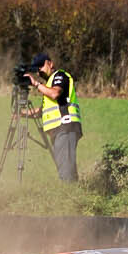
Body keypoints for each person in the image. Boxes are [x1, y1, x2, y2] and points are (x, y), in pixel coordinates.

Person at [21, 51, 82, 182]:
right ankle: (74, 191)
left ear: (50, 63)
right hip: (59, 130)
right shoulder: (49, 84)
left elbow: (55, 94)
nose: (39, 72)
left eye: (41, 67)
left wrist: (36, 84)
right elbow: (41, 111)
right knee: (65, 168)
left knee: (66, 171)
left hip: (65, 126)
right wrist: (21, 113)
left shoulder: (60, 75)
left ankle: (70, 193)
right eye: (37, 70)